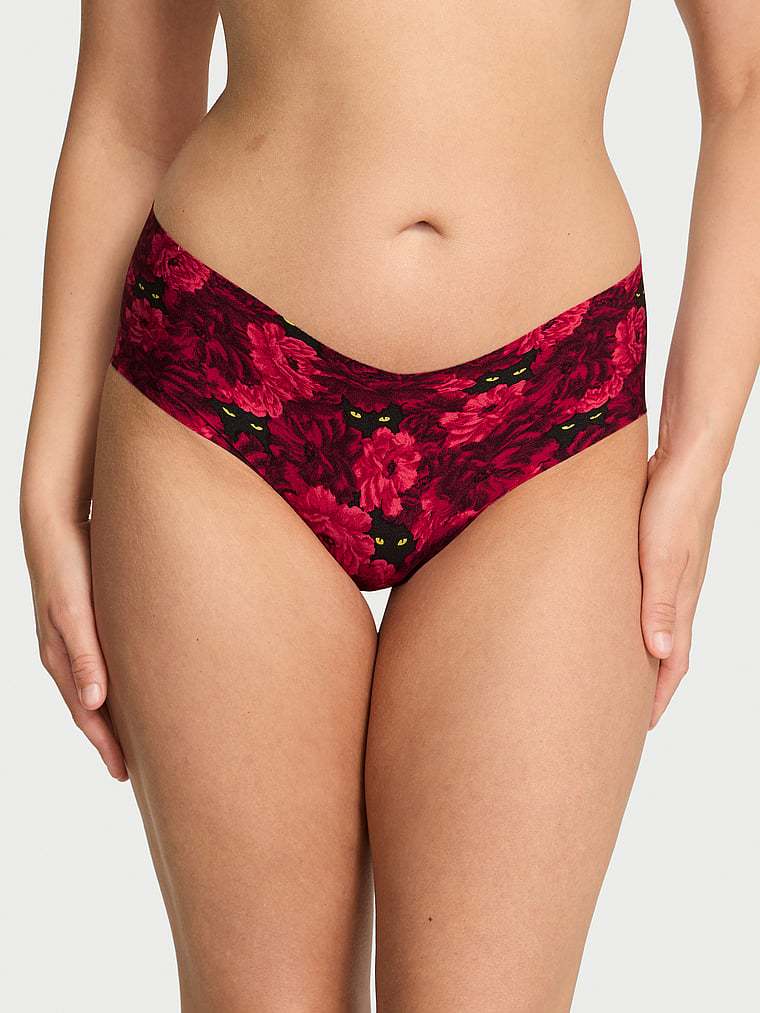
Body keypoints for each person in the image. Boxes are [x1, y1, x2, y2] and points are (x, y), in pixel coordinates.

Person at [20, 2, 759, 1010]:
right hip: (226, 382)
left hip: (551, 414)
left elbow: (746, 81)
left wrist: (699, 459)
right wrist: (46, 486)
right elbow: (129, 111)